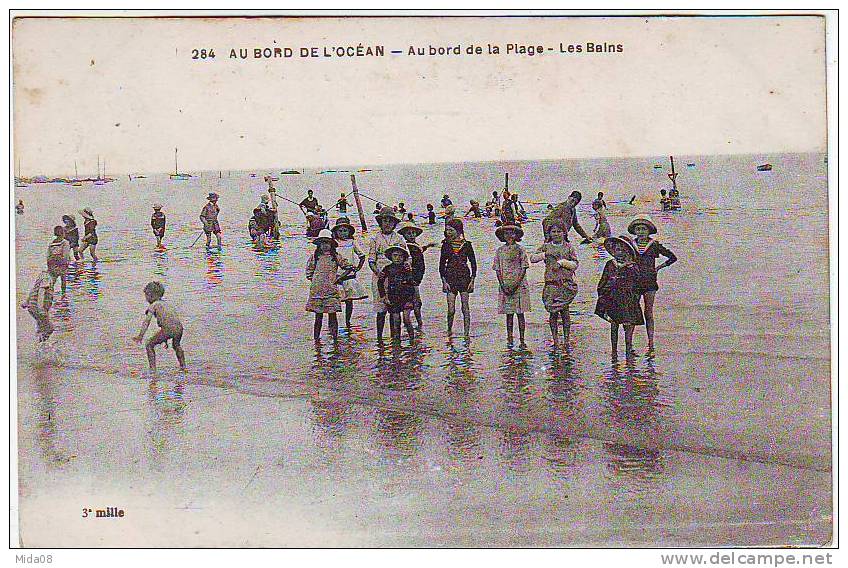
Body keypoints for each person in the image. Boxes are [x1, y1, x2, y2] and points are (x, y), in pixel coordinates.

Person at [627, 216, 677, 351]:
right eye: (638, 229)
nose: (641, 231)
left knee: (648, 312)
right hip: (634, 282)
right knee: (632, 312)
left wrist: (658, 268)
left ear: (649, 231)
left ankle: (650, 342)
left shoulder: (654, 245)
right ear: (634, 231)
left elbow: (673, 257)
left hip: (649, 282)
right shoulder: (630, 244)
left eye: (644, 229)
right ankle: (629, 343)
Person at [530, 222, 579, 348]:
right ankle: (555, 339)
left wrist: (562, 263)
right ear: (549, 234)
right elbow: (532, 258)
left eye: (559, 231)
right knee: (553, 312)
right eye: (553, 231)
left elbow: (575, 264)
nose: (556, 234)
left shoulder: (568, 247)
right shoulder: (546, 247)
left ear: (564, 233)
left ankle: (567, 339)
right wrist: (545, 255)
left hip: (565, 284)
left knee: (565, 312)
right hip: (551, 284)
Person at [595, 236, 644, 357]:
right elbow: (603, 281)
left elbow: (638, 285)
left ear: (628, 252)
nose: (620, 253)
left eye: (623, 250)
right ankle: (614, 352)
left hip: (628, 300)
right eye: (617, 250)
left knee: (628, 325)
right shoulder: (610, 264)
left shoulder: (633, 266)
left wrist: (635, 298)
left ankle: (629, 349)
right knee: (614, 325)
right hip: (613, 299)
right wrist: (602, 297)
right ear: (613, 251)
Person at [368, 207, 408, 341]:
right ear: (380, 222)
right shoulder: (375, 238)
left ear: (394, 223)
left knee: (394, 307)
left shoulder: (399, 238)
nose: (387, 224)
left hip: (396, 277)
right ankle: (379, 338)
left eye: (390, 221)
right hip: (380, 275)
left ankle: (394, 337)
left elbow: (407, 258)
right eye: (384, 221)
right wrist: (377, 272)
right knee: (381, 309)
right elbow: (371, 260)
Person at [306, 229, 350, 341]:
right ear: (319, 245)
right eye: (323, 243)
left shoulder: (335, 256)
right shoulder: (315, 257)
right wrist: (316, 281)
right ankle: (316, 340)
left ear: (331, 244)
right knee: (318, 317)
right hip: (317, 291)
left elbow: (349, 267)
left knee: (332, 315)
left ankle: (335, 339)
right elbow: (309, 272)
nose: (325, 245)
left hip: (331, 290)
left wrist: (340, 277)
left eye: (327, 243)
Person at [133, 281, 186, 372]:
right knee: (176, 345)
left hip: (168, 329)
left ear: (151, 295)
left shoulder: (153, 305)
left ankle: (152, 370)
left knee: (149, 345)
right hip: (179, 328)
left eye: (146, 296)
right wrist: (165, 338)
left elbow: (147, 321)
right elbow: (171, 320)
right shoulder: (166, 304)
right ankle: (183, 366)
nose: (146, 299)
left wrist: (140, 335)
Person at [493, 225, 530, 347]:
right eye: (506, 234)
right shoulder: (500, 251)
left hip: (519, 284)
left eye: (512, 233)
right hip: (505, 284)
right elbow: (497, 269)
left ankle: (522, 339)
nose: (509, 236)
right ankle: (509, 337)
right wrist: (502, 284)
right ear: (502, 236)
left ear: (516, 235)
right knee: (509, 314)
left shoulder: (521, 249)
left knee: (520, 313)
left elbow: (524, 267)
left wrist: (517, 283)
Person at [439, 218, 476, 337]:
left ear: (458, 230)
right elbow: (441, 265)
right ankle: (449, 330)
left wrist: (472, 281)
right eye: (447, 230)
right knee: (451, 310)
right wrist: (444, 282)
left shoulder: (467, 245)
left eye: (450, 230)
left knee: (465, 308)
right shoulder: (445, 245)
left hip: (464, 278)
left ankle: (466, 333)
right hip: (450, 278)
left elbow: (473, 264)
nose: (448, 232)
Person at [331, 217, 367, 329]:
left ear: (349, 231)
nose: (343, 233)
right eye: (340, 231)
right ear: (336, 232)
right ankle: (333, 323)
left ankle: (348, 321)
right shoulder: (333, 243)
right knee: (334, 300)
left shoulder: (352, 242)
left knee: (349, 300)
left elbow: (362, 256)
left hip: (349, 275)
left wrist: (358, 268)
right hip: (336, 276)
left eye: (345, 230)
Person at [398, 221, 434, 329]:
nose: (412, 235)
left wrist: (427, 246)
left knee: (415, 301)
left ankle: (415, 324)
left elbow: (420, 250)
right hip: (412, 277)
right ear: (404, 235)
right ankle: (418, 324)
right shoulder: (407, 247)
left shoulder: (414, 246)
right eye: (409, 233)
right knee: (416, 302)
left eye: (413, 233)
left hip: (417, 276)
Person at [378, 246, 416, 341]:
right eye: (395, 255)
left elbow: (412, 284)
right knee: (396, 320)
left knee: (406, 319)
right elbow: (380, 282)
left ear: (404, 258)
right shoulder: (387, 268)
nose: (398, 258)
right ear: (390, 257)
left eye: (400, 256)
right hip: (393, 297)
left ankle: (412, 340)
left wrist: (412, 299)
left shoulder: (406, 268)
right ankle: (396, 341)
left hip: (406, 297)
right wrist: (383, 296)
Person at [22, 270, 54, 343]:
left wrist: (27, 302)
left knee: (41, 327)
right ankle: (41, 345)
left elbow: (34, 289)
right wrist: (40, 308)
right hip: (38, 308)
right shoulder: (47, 278)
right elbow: (41, 291)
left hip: (32, 307)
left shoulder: (42, 275)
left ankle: (39, 344)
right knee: (50, 328)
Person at [46, 226, 70, 294]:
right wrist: (66, 263)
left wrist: (49, 265)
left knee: (52, 281)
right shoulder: (65, 242)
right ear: (63, 233)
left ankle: (49, 295)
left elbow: (48, 255)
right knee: (63, 280)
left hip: (52, 264)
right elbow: (66, 255)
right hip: (62, 265)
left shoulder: (51, 243)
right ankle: (63, 294)